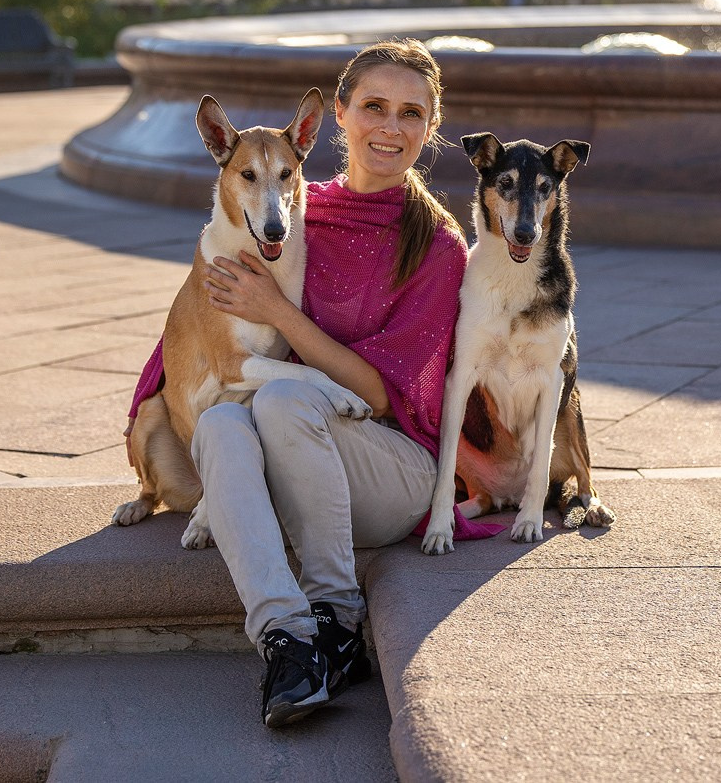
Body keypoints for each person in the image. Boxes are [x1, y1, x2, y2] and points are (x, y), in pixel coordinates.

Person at [127, 38, 489, 728]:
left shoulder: (436, 243)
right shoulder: (287, 209)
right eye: (375, 106)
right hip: (291, 450)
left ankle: (339, 611)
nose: (390, 126)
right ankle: (288, 639)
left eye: (411, 113)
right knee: (222, 422)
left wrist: (276, 313)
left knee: (283, 393)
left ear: (429, 128)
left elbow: (382, 397)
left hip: (390, 469)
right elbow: (196, 331)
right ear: (342, 117)